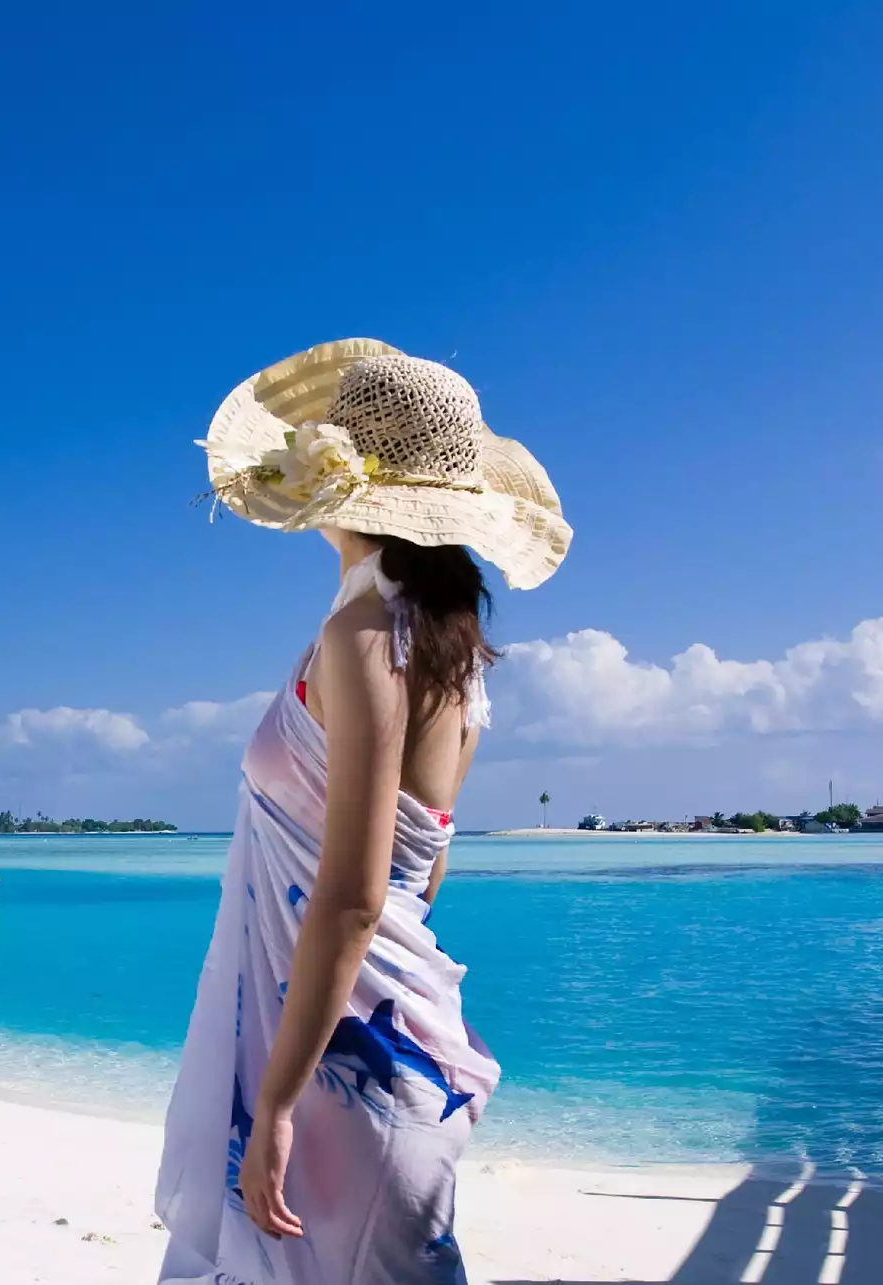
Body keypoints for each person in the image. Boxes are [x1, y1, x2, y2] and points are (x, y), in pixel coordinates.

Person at [155, 339, 572, 1285]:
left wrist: (276, 1105)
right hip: (397, 1043)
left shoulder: (363, 631)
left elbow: (351, 899)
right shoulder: (450, 645)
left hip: (339, 1076)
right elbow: (423, 875)